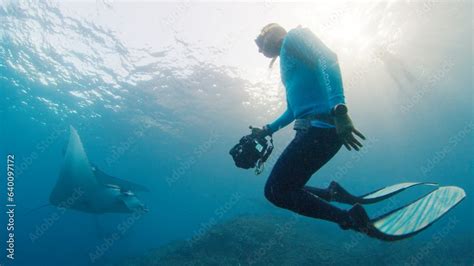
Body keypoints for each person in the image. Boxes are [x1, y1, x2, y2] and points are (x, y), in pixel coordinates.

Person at [252, 23, 373, 234]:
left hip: (321, 130)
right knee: (282, 188)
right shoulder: (287, 66)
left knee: (275, 191)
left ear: (273, 33)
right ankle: (332, 194)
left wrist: (340, 110)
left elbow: (329, 59)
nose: (259, 48)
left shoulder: (293, 37)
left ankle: (350, 218)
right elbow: (292, 111)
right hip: (313, 131)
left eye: (260, 40)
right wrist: (267, 130)